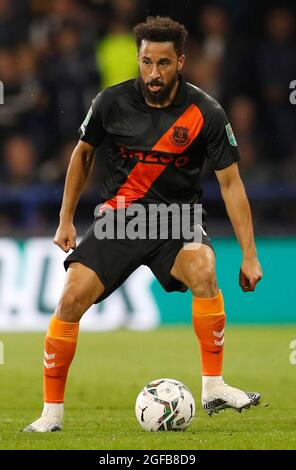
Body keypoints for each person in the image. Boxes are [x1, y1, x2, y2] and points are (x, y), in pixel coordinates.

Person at [23, 16, 262, 432]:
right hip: (121, 221)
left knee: (204, 269)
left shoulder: (205, 111)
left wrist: (249, 254)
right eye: (147, 62)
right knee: (70, 299)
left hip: (177, 221)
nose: (154, 73)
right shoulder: (110, 102)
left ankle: (214, 386)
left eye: (164, 63)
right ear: (139, 59)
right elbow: (82, 156)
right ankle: (51, 415)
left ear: (181, 62)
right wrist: (65, 219)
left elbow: (232, 184)